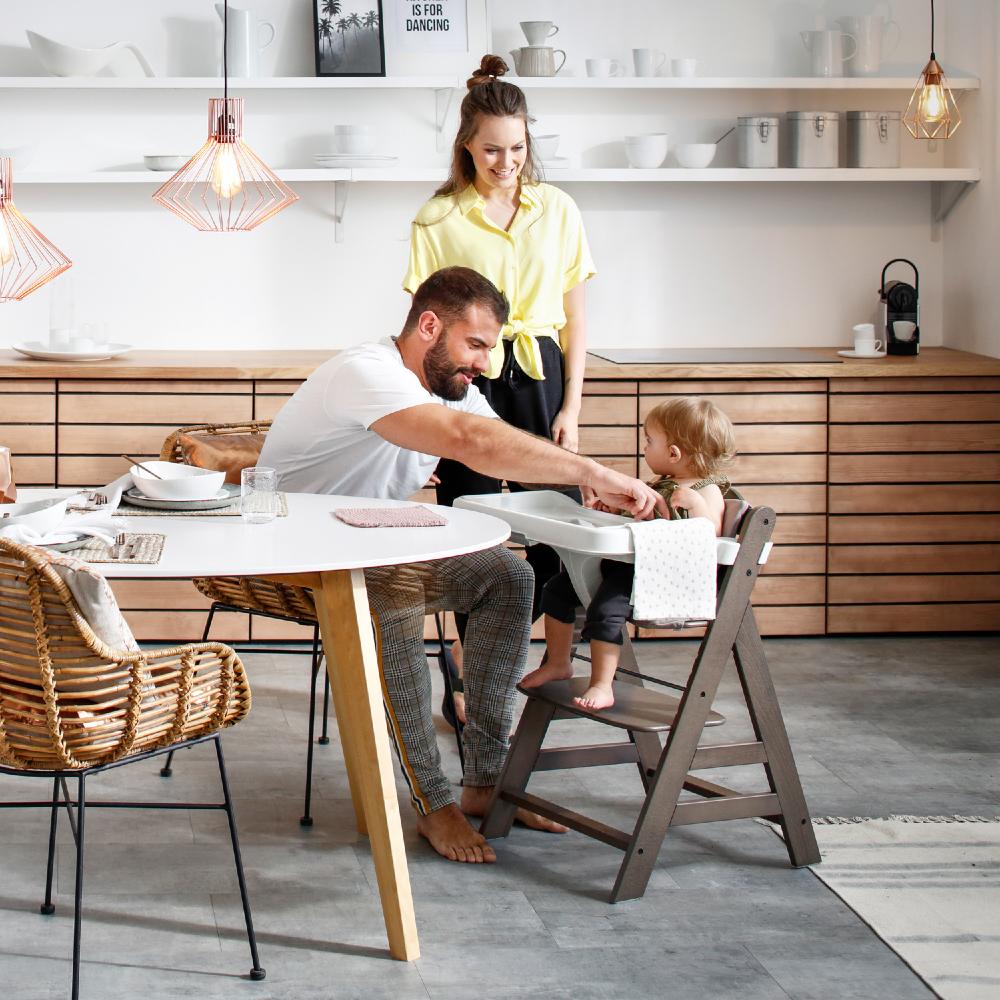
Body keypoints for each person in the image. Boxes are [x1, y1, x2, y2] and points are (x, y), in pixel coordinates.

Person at [259, 266, 661, 863]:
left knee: (510, 577)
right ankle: (433, 803)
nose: (483, 364)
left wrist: (589, 495)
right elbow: (466, 440)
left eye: (489, 348)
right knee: (393, 586)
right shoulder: (364, 372)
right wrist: (593, 471)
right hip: (288, 552)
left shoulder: (454, 388)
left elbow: (502, 446)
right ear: (428, 326)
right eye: (474, 345)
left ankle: (485, 781)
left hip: (365, 547)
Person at [404, 53, 596, 719]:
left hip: (543, 372)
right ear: (467, 146)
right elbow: (426, 330)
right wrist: (427, 422)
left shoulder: (559, 210)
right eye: (492, 150)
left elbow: (575, 314)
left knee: (562, 524)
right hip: (467, 375)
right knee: (473, 526)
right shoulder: (437, 219)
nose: (506, 162)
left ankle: (557, 659)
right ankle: (467, 669)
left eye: (517, 148)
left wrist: (571, 406)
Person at [521, 397, 737, 711]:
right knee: (556, 590)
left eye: (650, 441)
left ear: (674, 453)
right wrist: (614, 510)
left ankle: (602, 684)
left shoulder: (707, 490)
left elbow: (710, 536)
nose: (645, 447)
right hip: (626, 565)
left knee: (605, 610)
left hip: (660, 576)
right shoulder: (660, 485)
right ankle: (558, 663)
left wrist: (698, 507)